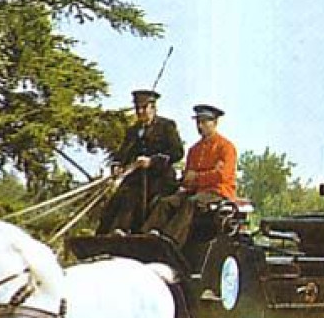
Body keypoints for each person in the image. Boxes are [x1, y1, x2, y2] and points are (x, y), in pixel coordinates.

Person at [145, 103, 238, 249]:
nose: (200, 126)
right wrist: (184, 182)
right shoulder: (194, 150)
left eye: (204, 122)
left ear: (215, 122)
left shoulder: (226, 147)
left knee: (191, 203)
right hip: (195, 191)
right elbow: (189, 177)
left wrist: (196, 177)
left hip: (218, 192)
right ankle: (147, 236)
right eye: (198, 122)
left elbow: (222, 176)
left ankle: (171, 241)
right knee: (166, 202)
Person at [96, 88, 185, 235]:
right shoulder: (133, 131)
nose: (141, 112)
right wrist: (117, 165)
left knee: (144, 198)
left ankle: (141, 231)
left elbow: (177, 153)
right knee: (120, 197)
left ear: (153, 108)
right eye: (138, 108)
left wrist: (152, 161)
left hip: (160, 178)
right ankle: (110, 233)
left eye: (144, 108)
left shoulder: (167, 126)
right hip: (137, 177)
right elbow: (123, 153)